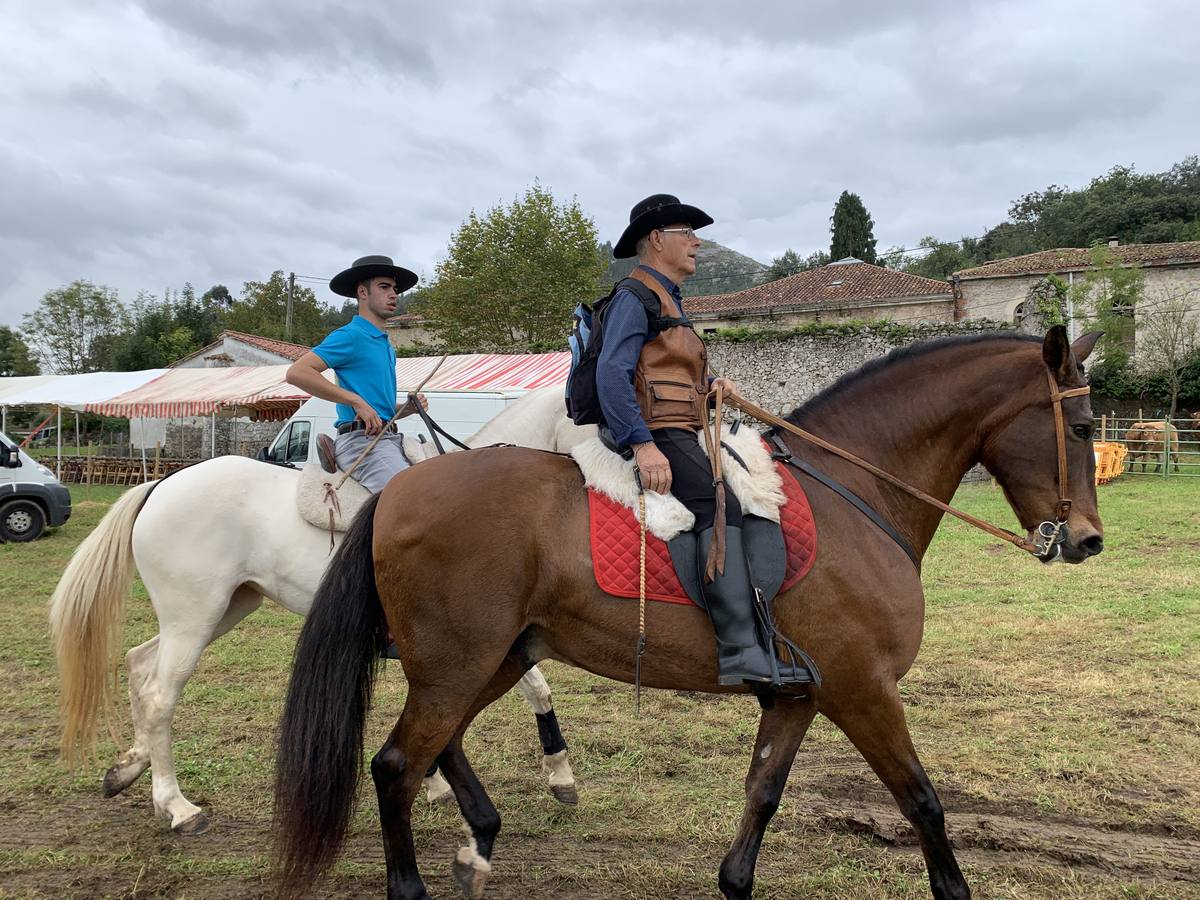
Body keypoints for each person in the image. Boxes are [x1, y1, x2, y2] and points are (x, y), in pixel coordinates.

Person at [597, 194, 805, 688]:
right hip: (660, 433)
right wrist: (641, 444)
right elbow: (612, 373)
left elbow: (667, 367)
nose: (696, 240)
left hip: (683, 426)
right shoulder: (636, 296)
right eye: (685, 231)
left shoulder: (670, 298)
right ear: (656, 240)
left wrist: (711, 385)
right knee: (721, 508)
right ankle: (738, 652)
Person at [286, 255, 428, 493]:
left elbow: (378, 412)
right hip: (361, 443)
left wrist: (408, 409)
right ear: (363, 293)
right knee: (410, 498)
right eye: (384, 287)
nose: (394, 294)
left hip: (388, 439)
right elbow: (297, 372)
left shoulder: (386, 345)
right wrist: (354, 400)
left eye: (394, 288)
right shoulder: (350, 336)